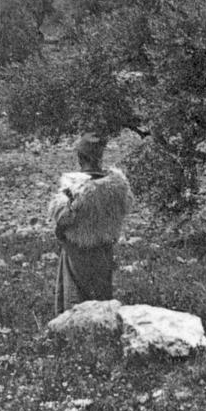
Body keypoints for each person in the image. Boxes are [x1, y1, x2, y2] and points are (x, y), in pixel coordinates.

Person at [48, 133, 133, 314]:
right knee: (101, 296)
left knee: (75, 297)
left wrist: (60, 232)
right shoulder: (117, 186)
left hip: (78, 251)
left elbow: (63, 219)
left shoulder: (74, 188)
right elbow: (124, 208)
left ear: (81, 157)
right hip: (104, 249)